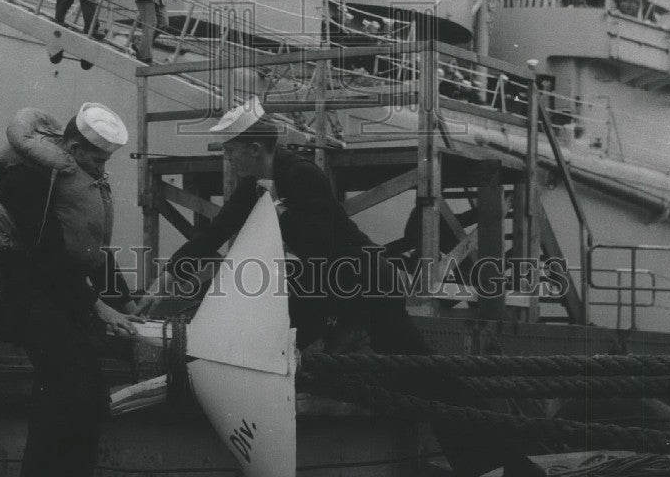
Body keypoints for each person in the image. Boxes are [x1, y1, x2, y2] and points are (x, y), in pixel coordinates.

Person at [137, 97, 543, 477]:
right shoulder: (257, 186)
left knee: (428, 378)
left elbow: (325, 251)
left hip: (369, 287)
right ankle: (485, 465)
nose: (228, 157)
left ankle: (510, 465)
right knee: (422, 381)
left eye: (232, 150)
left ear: (256, 149)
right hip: (343, 288)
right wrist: (166, 279)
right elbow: (217, 233)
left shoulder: (300, 175)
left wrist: (311, 317)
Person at [0, 103, 141, 477]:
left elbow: (88, 247)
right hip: (24, 289)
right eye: (98, 158)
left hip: (60, 290)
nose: (103, 169)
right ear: (72, 150)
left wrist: (124, 301)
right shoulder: (23, 177)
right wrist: (98, 306)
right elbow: (46, 254)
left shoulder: (73, 174)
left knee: (89, 394)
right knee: (66, 391)